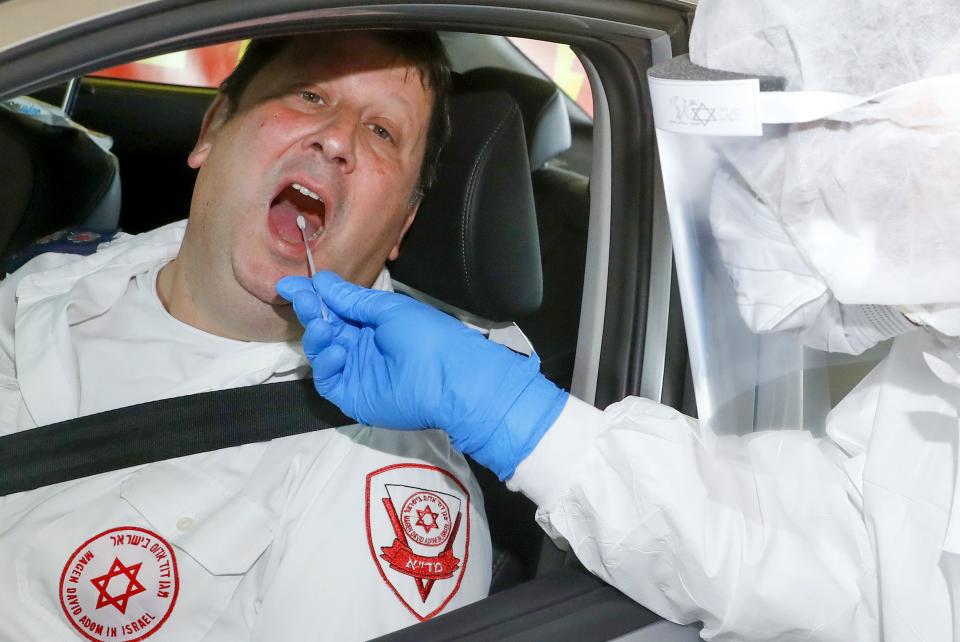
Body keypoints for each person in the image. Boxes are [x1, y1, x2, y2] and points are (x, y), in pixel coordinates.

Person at [277, 2, 960, 640]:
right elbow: (825, 558)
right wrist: (526, 423)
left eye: (806, 145)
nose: (757, 199)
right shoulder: (934, 371)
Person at [0, 32, 491, 641]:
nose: (337, 138)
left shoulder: (389, 482)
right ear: (212, 129)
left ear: (402, 226)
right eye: (310, 95)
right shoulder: (49, 271)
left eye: (383, 131)